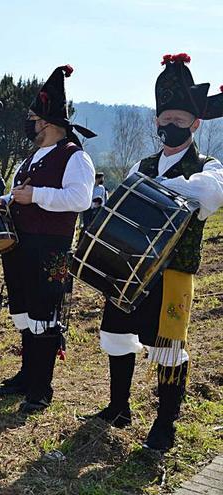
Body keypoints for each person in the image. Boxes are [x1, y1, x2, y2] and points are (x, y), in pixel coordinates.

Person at [85, 53, 223, 452]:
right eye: (166, 120)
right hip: (128, 271)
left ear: (196, 124)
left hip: (173, 275)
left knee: (168, 349)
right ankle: (118, 407)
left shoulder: (208, 166)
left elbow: (208, 196)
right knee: (116, 335)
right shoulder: (141, 164)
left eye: (180, 121)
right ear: (156, 120)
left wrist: (154, 189)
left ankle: (165, 425)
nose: (171, 127)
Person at [0, 64, 97, 414]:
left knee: (45, 316)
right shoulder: (32, 156)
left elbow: (80, 199)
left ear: (49, 123)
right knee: (24, 312)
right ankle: (26, 376)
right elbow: (19, 193)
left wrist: (35, 195)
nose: (28, 124)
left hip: (51, 248)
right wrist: (5, 201)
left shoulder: (75, 157)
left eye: (32, 119)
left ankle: (41, 389)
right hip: (20, 245)